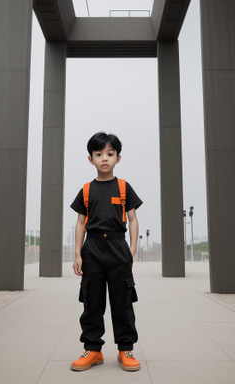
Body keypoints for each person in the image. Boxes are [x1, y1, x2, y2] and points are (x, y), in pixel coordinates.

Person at [70, 132, 143, 371]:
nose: (104, 158)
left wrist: (131, 249)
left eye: (110, 154)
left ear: (118, 158)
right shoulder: (86, 190)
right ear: (90, 159)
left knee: (122, 302)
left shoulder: (124, 187)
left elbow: (132, 219)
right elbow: (80, 223)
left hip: (117, 248)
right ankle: (93, 350)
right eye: (98, 154)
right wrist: (78, 254)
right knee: (92, 302)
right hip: (92, 249)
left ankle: (126, 350)